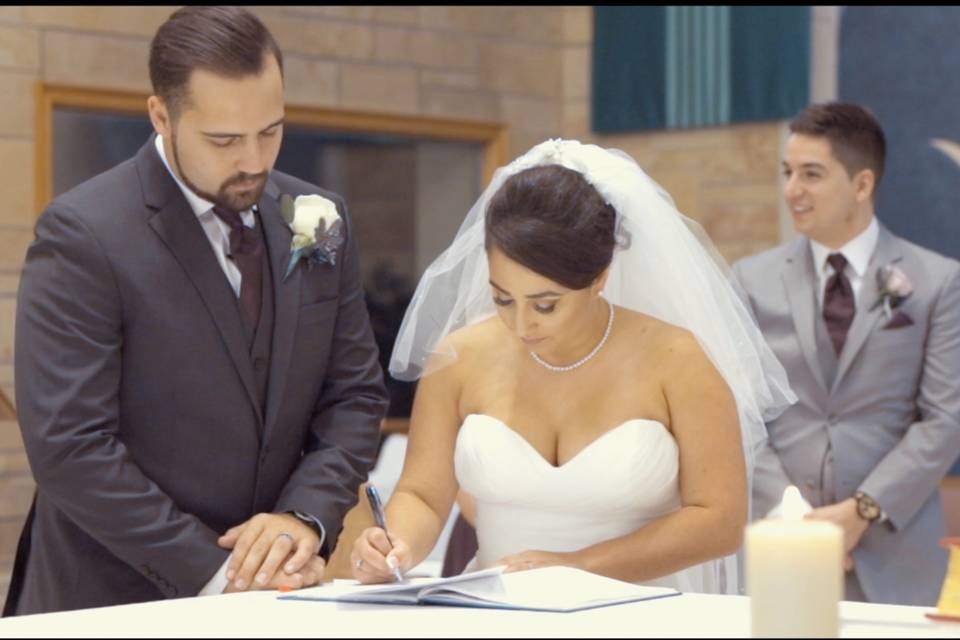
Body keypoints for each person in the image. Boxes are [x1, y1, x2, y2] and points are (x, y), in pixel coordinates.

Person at [5, 6, 388, 615]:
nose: (255, 160)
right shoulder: (84, 233)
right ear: (162, 115)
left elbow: (356, 396)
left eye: (272, 130)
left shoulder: (318, 216)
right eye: (224, 140)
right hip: (111, 601)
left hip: (279, 599)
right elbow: (70, 446)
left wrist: (301, 518)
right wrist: (221, 572)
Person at [350, 139, 795, 593]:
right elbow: (423, 495)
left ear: (599, 277)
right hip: (497, 609)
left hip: (642, 612)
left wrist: (578, 565)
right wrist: (394, 542)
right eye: (503, 298)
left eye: (545, 305)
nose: (521, 324)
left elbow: (718, 521)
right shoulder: (459, 358)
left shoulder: (678, 360)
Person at [733, 102, 960, 605]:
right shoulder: (750, 281)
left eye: (811, 175)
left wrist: (860, 511)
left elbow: (945, 418)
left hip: (892, 550)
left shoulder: (937, 281)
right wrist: (793, 520)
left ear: (862, 185)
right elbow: (744, 412)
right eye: (788, 173)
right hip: (780, 547)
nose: (792, 191)